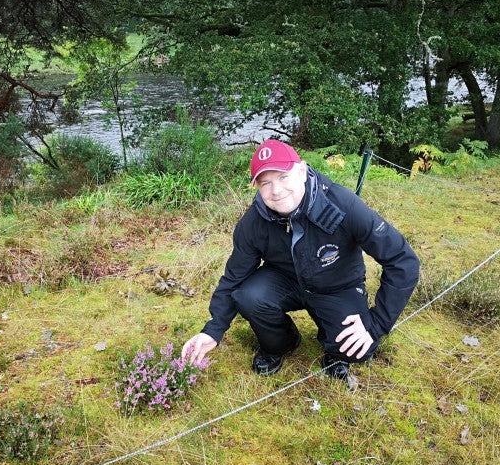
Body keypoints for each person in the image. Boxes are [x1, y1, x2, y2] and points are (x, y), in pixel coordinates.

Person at [180, 139, 420, 379]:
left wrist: (376, 323)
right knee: (248, 295)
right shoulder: (252, 223)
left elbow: (402, 261)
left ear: (302, 171)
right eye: (265, 183)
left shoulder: (344, 206)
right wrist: (213, 330)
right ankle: (281, 344)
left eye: (283, 177)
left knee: (360, 349)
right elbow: (235, 276)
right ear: (257, 187)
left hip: (337, 285)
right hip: (285, 281)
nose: (276, 190)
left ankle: (336, 354)